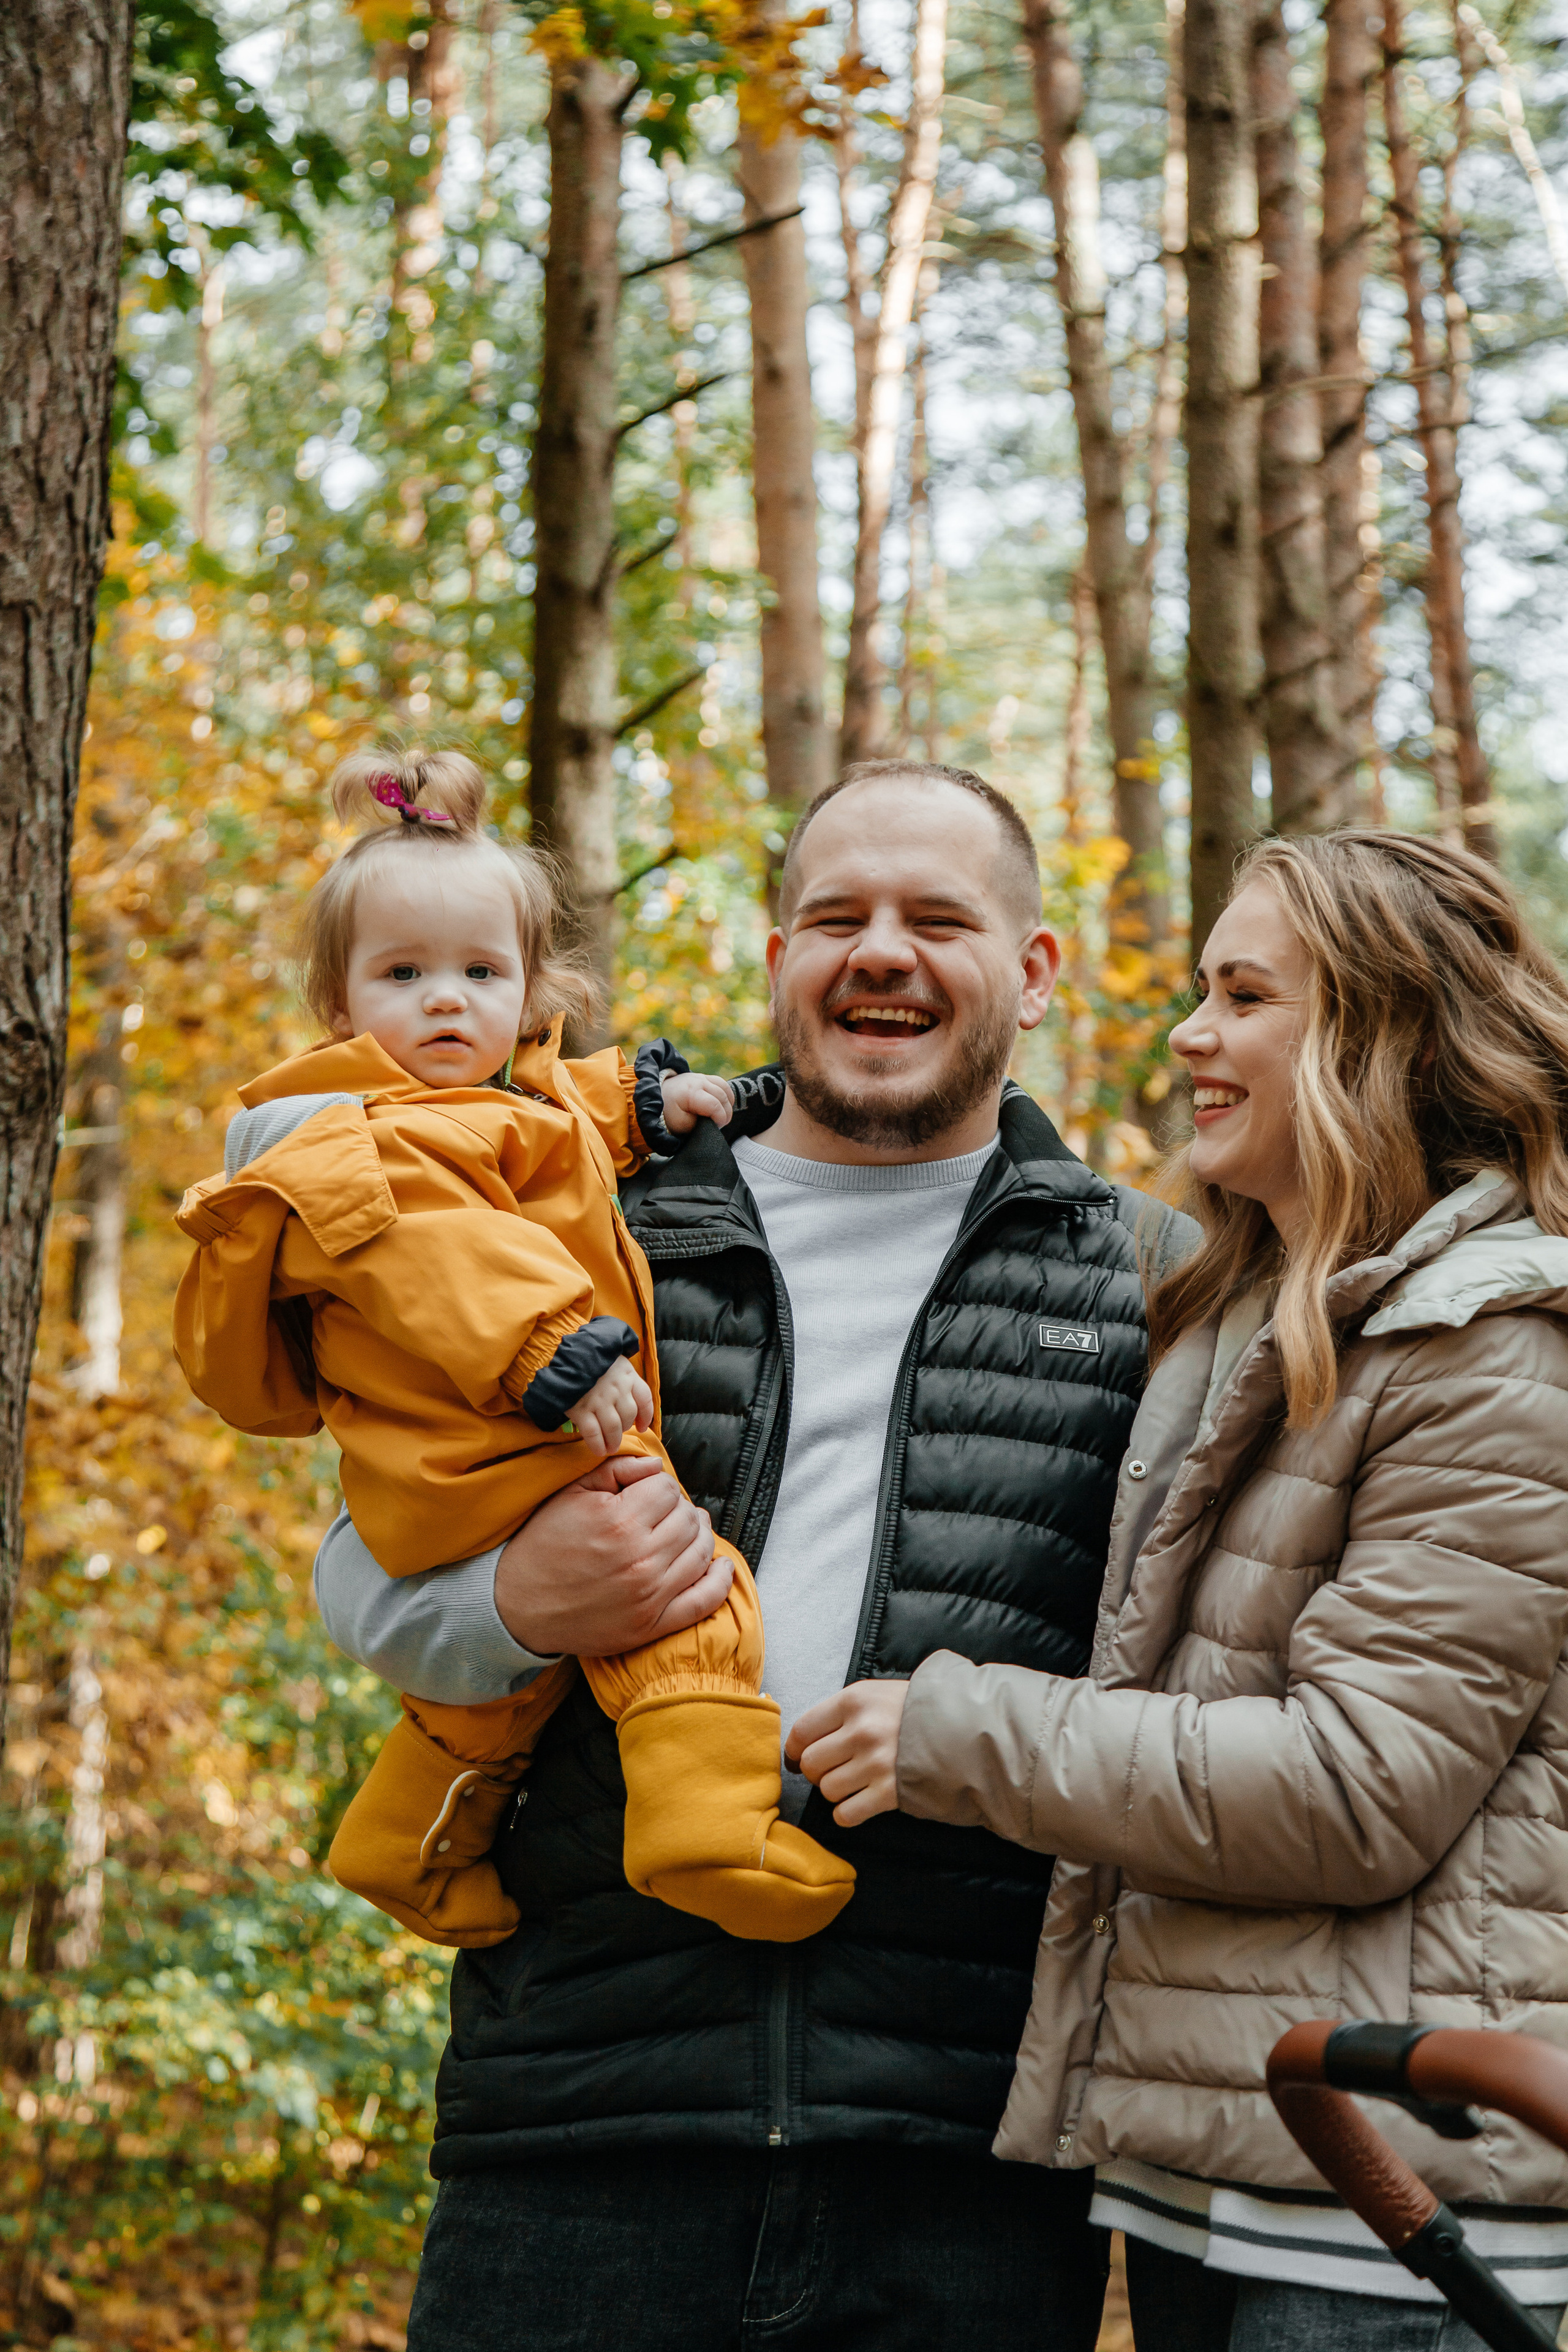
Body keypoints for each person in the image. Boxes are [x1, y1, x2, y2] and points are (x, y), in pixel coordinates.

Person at [312, 757, 1196, 2351]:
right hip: (579, 2127)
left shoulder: (1159, 1281)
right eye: (835, 914)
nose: (882, 951)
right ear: (777, 953)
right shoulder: (586, 1218)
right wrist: (522, 1602)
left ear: (1036, 971)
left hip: (969, 2158)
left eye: (940, 918)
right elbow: (360, 1564)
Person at [796, 829, 1568, 2351]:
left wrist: (957, 1738)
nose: (1190, 1035)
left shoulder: (1493, 1351)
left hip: (1399, 2222)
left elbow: (1358, 1789)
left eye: (1241, 997)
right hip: (1238, 2171)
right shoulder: (1246, 1326)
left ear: (1372, 1035)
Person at [173, 742, 854, 1954]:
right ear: (340, 1006)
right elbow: (438, 1254)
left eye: (480, 972)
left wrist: (640, 1108)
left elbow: (538, 1129)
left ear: (531, 990)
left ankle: (407, 1848)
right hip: (499, 1435)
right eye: (403, 973)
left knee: (488, 1703)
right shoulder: (351, 1146)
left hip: (455, 1474)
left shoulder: (490, 1103)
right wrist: (562, 1352)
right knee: (683, 1592)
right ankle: (705, 1825)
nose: (446, 1000)